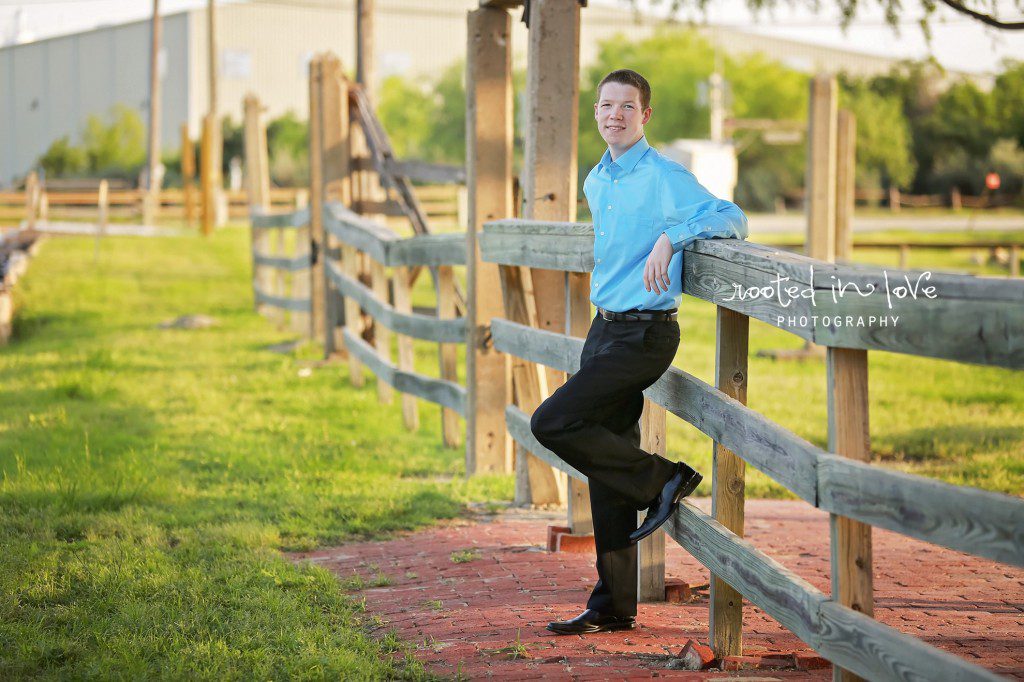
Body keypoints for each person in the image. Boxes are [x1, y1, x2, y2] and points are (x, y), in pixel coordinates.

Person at [530, 68, 749, 635]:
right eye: (606, 105)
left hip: (646, 335)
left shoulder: (663, 176)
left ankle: (663, 480)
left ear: (644, 115)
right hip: (604, 330)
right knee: (605, 462)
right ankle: (612, 605)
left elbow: (732, 217)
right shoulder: (596, 180)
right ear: (596, 110)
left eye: (627, 106)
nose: (615, 115)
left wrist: (670, 237)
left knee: (551, 420)